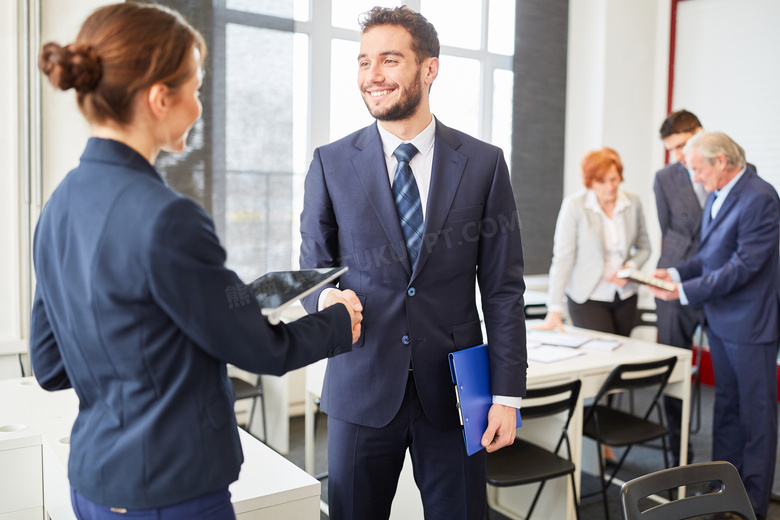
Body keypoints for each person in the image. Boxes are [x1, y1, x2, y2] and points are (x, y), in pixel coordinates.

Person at [31, 4, 361, 519]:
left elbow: (52, 366)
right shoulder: (168, 218)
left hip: (93, 484)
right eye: (197, 89)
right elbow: (264, 351)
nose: (201, 107)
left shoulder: (58, 207)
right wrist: (339, 321)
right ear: (160, 98)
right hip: (168, 493)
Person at [298, 6, 526, 520]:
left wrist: (507, 395)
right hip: (361, 384)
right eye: (362, 62)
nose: (371, 76)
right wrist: (324, 297)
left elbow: (504, 289)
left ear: (430, 68)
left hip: (456, 393)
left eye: (389, 60)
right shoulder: (330, 162)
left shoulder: (484, 164)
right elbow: (314, 266)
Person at [650, 131, 779, 520]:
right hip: (721, 321)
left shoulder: (760, 197)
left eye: (698, 169)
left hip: (751, 325)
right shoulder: (717, 194)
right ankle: (725, 486)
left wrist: (684, 292)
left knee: (755, 415)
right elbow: (707, 258)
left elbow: (743, 266)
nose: (695, 179)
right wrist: (670, 273)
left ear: (721, 161)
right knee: (725, 408)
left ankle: (752, 503)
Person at [535, 147, 651, 337]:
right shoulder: (575, 206)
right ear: (589, 183)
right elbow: (563, 258)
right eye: (601, 182)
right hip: (588, 296)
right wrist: (554, 308)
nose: (610, 187)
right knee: (603, 353)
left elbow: (645, 248)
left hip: (625, 294)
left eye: (614, 179)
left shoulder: (633, 202)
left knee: (622, 353)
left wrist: (629, 268)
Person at [653, 109, 706, 466]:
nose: (681, 156)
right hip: (674, 280)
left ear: (702, 133)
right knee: (674, 368)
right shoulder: (665, 177)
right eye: (674, 149)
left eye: (685, 145)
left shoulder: (731, 166)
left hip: (718, 280)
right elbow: (668, 228)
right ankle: (678, 455)